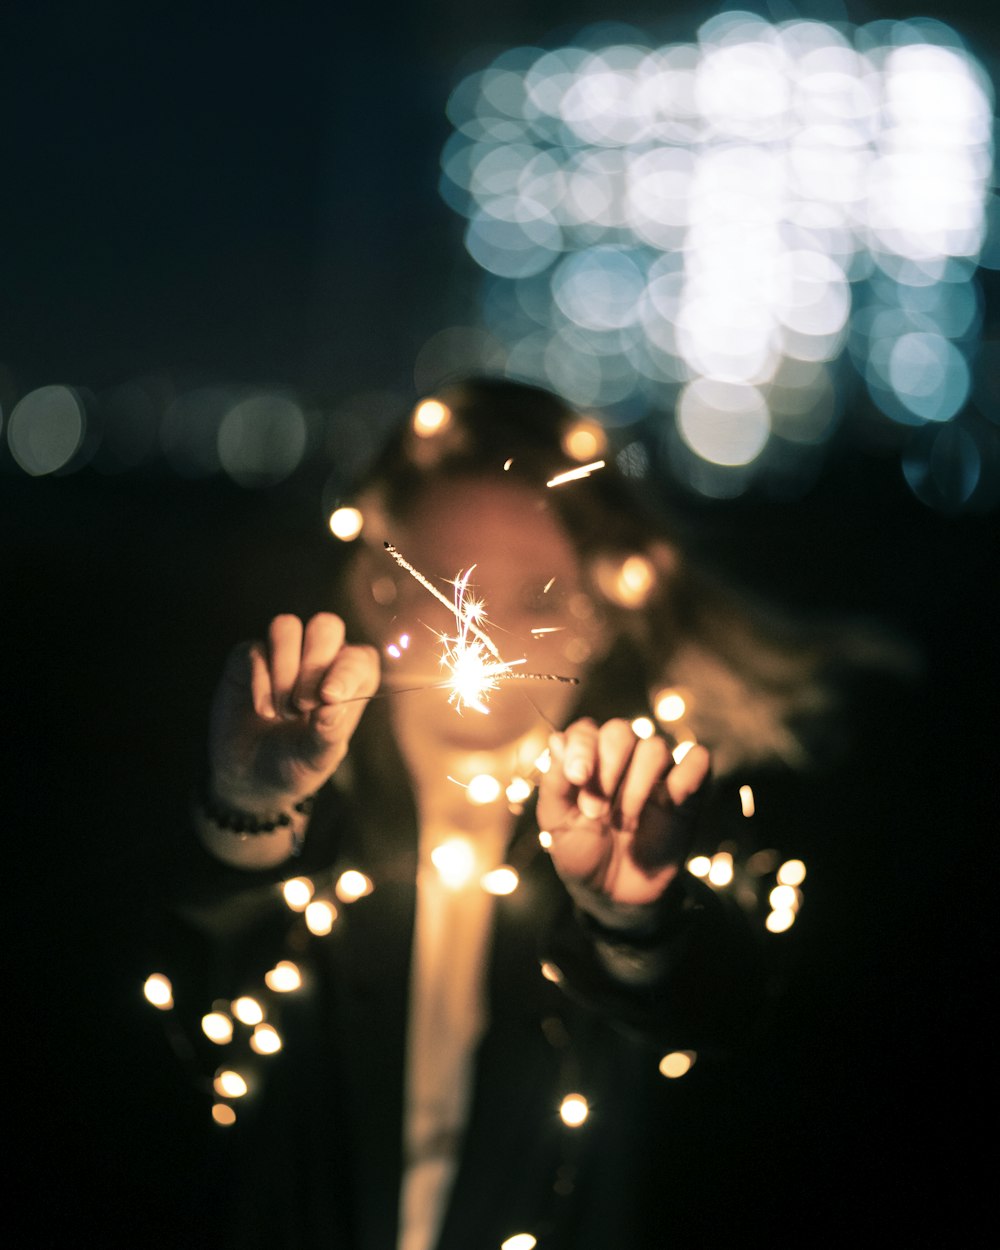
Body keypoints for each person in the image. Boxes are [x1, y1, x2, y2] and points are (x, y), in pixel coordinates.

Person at [175, 378, 860, 1249]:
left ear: (603, 617)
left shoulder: (664, 810)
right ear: (376, 585)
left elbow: (731, 1010)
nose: (486, 632)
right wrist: (248, 809)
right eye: (450, 587)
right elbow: (181, 1018)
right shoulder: (315, 817)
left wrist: (631, 920)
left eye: (537, 596)